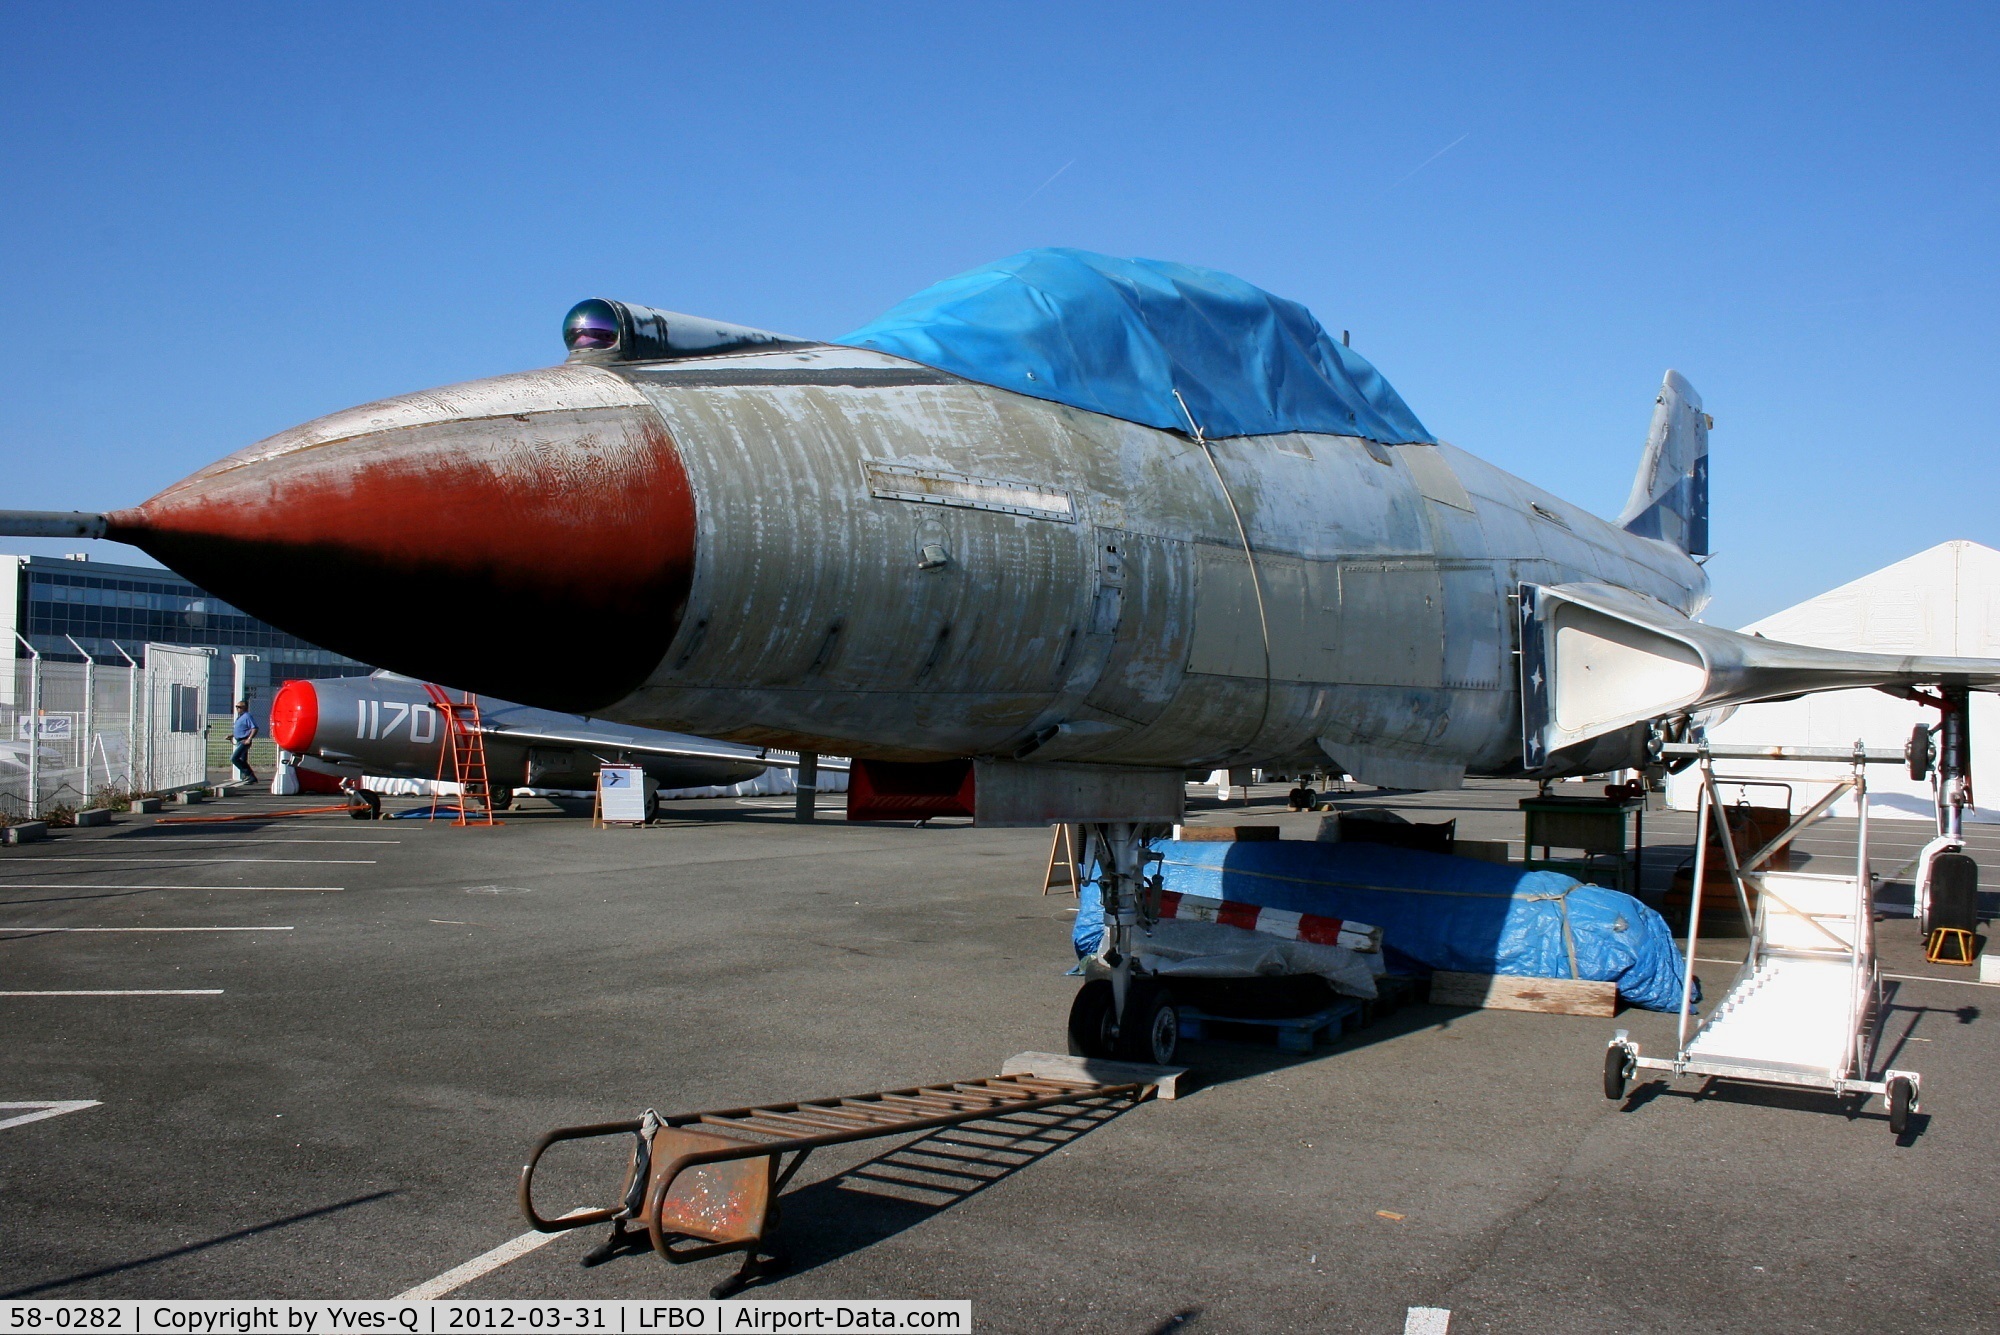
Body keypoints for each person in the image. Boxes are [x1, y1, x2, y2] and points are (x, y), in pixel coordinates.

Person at [230, 700, 259, 784]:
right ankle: (249, 777)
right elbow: (241, 729)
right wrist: (232, 735)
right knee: (242, 760)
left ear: (244, 707)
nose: (237, 709)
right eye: (236, 707)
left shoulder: (247, 716)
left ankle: (249, 775)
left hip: (244, 741)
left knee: (234, 758)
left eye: (239, 707)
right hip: (239, 740)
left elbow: (255, 728)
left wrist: (249, 739)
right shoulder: (240, 717)